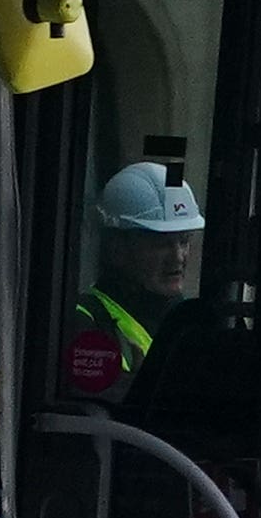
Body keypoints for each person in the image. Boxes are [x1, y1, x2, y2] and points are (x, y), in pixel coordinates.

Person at [63, 157, 209, 402]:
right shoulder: (84, 320)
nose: (178, 256)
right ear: (117, 249)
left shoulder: (189, 321)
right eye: (161, 243)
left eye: (183, 240)